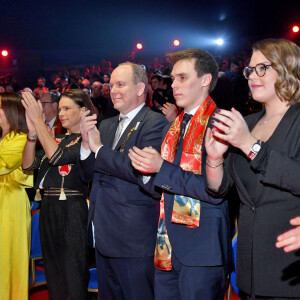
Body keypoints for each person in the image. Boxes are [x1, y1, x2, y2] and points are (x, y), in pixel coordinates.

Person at [128, 48, 232, 300]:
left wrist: (160, 168)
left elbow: (215, 191)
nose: (173, 85)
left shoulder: (222, 125)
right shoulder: (173, 126)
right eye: (173, 78)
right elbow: (163, 186)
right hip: (166, 244)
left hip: (202, 250)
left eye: (182, 78)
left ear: (206, 80)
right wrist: (145, 173)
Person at [204, 38, 300, 299]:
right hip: (249, 271)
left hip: (290, 268)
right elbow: (222, 189)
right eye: (250, 69)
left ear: (287, 69)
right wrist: (214, 160)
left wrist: (250, 145)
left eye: (262, 68)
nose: (251, 76)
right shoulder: (248, 122)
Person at [79, 62, 168, 300]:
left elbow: (139, 169)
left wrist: (98, 149)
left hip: (133, 236)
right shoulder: (106, 124)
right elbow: (88, 175)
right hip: (103, 232)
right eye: (110, 84)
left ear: (140, 88)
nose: (113, 90)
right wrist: (87, 148)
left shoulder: (155, 123)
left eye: (120, 84)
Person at [22, 89, 95, 300]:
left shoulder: (88, 137)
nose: (61, 113)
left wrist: (38, 121)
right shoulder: (58, 138)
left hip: (72, 207)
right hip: (49, 206)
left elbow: (57, 157)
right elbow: (28, 165)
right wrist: (32, 135)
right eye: (60, 108)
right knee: (53, 270)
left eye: (67, 108)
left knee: (72, 271)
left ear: (83, 111)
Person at [0, 93, 33, 300]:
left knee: (8, 256)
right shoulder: (3, 138)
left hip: (10, 201)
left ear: (10, 111)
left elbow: (4, 165)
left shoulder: (20, 139)